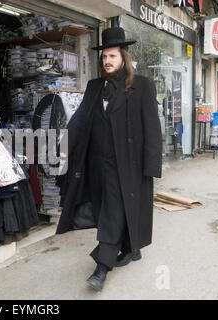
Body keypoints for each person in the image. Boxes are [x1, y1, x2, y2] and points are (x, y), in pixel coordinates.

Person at [55, 27, 163, 291]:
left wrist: (151, 166)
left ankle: (102, 267)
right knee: (107, 212)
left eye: (112, 55)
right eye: (104, 56)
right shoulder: (94, 87)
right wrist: (65, 145)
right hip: (96, 166)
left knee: (114, 213)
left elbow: (152, 127)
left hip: (127, 166)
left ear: (123, 57)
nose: (107, 61)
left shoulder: (142, 85)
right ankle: (130, 247)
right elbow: (79, 119)